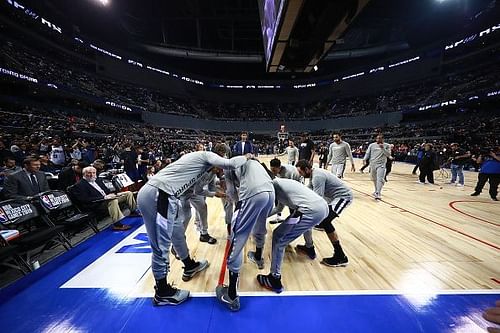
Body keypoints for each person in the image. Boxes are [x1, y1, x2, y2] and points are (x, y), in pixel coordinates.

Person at [136, 149, 251, 307]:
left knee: (177, 233)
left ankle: (189, 265)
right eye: (219, 165)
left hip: (167, 196)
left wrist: (215, 193)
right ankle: (162, 292)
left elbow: (199, 190)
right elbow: (230, 164)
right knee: (160, 246)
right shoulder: (205, 155)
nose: (221, 170)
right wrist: (246, 157)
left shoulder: (206, 170)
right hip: (160, 194)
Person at [215, 158, 275, 311]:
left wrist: (238, 207)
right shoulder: (253, 161)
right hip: (270, 193)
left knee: (238, 237)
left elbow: (231, 192)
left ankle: (232, 295)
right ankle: (259, 257)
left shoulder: (229, 165)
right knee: (260, 226)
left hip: (253, 194)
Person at [257, 177, 328, 293]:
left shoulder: (273, 186)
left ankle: (274, 279)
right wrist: (261, 217)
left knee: (279, 239)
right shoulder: (280, 183)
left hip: (310, 211)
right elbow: (278, 208)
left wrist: (256, 216)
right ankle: (310, 249)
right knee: (287, 229)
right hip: (319, 206)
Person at [295, 160, 353, 266]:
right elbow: (309, 190)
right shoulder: (314, 174)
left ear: (307, 169)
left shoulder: (318, 176)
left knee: (325, 221)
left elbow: (317, 198)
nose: (300, 174)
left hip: (343, 197)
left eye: (301, 172)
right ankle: (309, 246)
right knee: (323, 221)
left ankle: (341, 257)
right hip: (332, 198)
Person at [71, 167, 136, 231]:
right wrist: (104, 198)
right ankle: (118, 224)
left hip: (107, 199)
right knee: (113, 201)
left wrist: (114, 194)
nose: (92, 174)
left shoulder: (97, 180)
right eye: (89, 173)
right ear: (84, 174)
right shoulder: (79, 185)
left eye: (94, 173)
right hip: (96, 204)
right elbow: (84, 199)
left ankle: (133, 212)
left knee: (128, 193)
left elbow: (106, 191)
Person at [269, 157, 303, 224]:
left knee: (292, 207)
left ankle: (294, 222)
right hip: (284, 188)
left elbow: (294, 187)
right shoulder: (276, 171)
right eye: (271, 170)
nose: (273, 172)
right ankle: (278, 217)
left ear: (279, 167)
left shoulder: (289, 172)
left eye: (274, 170)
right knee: (278, 203)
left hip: (296, 188)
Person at [362, 134, 392, 200]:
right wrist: (364, 159)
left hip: (381, 164)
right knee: (373, 178)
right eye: (377, 138)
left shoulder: (387, 145)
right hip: (372, 164)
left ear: (383, 139)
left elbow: (388, 154)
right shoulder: (372, 145)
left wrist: (383, 148)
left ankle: (378, 193)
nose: (378, 140)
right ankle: (376, 190)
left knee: (379, 178)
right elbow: (368, 153)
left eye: (380, 138)